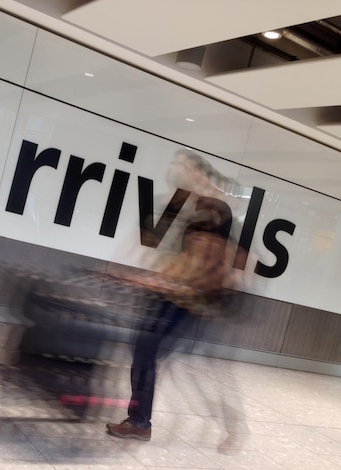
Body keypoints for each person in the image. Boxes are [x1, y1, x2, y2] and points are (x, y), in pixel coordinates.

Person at [105, 150, 243, 441]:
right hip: (166, 295)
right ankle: (141, 419)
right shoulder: (174, 206)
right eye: (177, 166)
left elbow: (200, 268)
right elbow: (148, 243)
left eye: (187, 169)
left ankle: (142, 422)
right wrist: (126, 270)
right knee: (148, 355)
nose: (179, 172)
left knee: (157, 357)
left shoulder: (212, 214)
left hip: (187, 301)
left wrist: (150, 281)